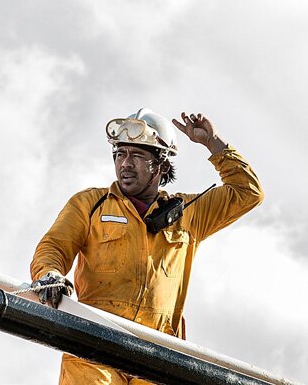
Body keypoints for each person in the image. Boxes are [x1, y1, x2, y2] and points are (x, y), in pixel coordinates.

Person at [30, 108, 264, 384]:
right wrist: (49, 273)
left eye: (137, 156)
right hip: (92, 346)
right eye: (120, 154)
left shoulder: (189, 214)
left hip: (158, 356)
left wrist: (213, 143)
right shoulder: (89, 204)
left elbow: (247, 193)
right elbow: (54, 247)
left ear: (162, 166)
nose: (125, 164)